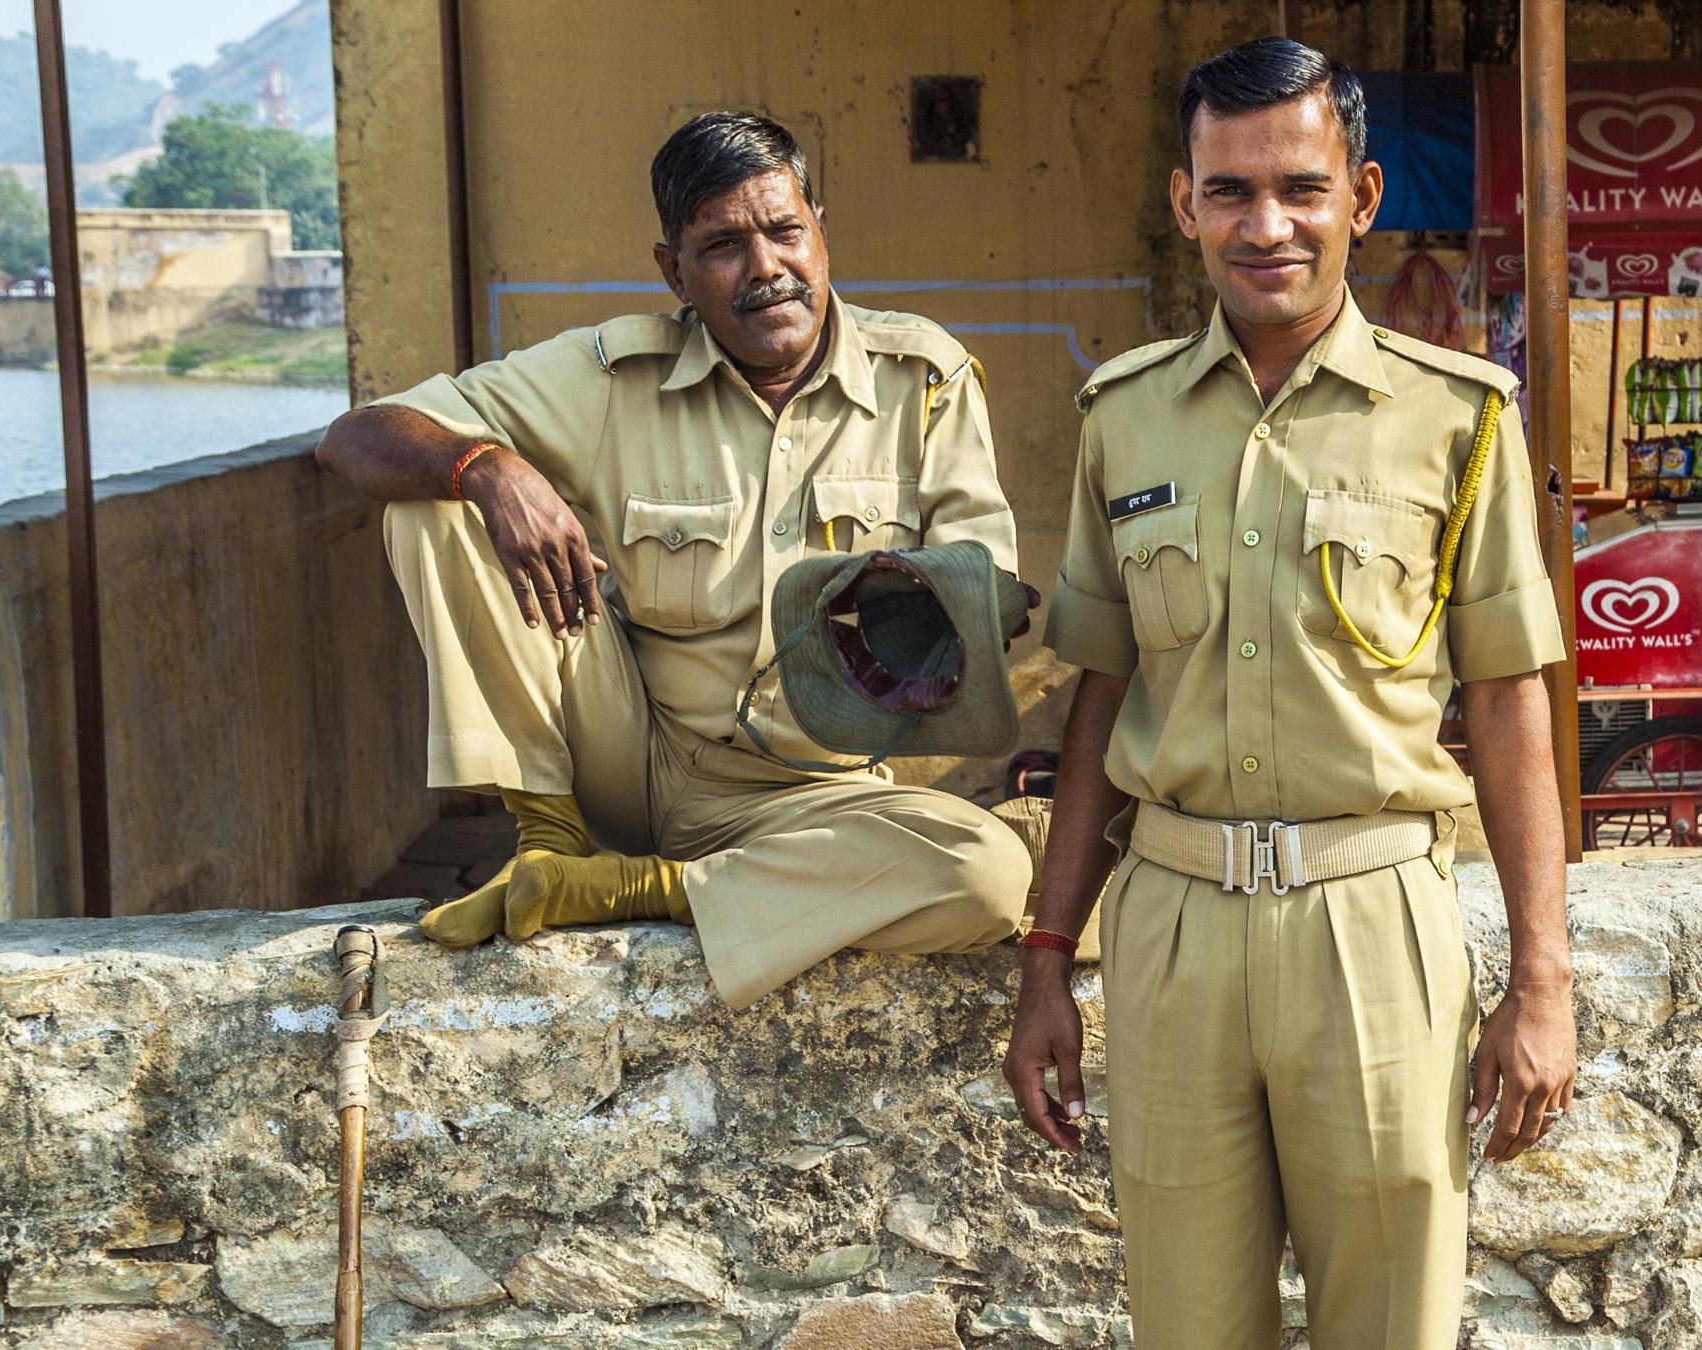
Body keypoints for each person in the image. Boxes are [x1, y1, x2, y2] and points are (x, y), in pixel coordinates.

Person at [1002, 39, 1578, 1349]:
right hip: (1174, 933)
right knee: (1190, 1327)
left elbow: (1507, 702)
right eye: (1232, 191)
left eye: (1303, 188)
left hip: (1372, 925)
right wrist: (1048, 956)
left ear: (1363, 198)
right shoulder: (1124, 418)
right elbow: (1099, 697)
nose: (1269, 225)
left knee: (1395, 1324)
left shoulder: (1461, 418)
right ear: (1184, 201)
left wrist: (1543, 974)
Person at [316, 111, 1030, 1010]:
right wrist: (484, 467)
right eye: (724, 245)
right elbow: (356, 437)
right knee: (435, 504)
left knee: (990, 872)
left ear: (821, 230)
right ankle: (551, 840)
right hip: (631, 753)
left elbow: (986, 602)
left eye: (784, 231)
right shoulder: (614, 379)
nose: (766, 267)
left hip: (813, 796)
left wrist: (934, 620)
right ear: (675, 273)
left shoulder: (924, 383)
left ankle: (621, 889)